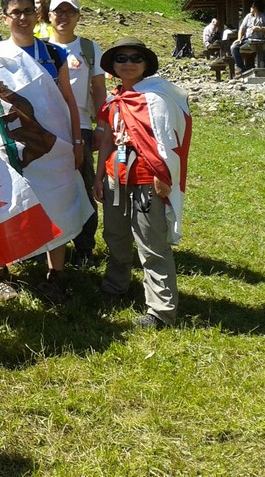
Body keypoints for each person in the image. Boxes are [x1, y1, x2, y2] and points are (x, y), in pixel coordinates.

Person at [0, 0, 85, 303]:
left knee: (59, 201)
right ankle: (2, 273)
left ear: (36, 15)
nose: (22, 18)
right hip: (12, 146)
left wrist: (77, 141)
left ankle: (56, 274)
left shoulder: (53, 54)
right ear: (5, 18)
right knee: (9, 205)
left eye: (27, 11)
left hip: (55, 145)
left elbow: (68, 101)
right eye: (15, 13)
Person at [93, 38, 190, 328]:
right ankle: (115, 287)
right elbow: (109, 138)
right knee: (116, 237)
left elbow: (166, 140)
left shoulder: (157, 98)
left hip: (147, 181)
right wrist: (99, 176)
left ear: (146, 64)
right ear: (113, 66)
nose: (128, 63)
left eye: (136, 57)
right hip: (116, 178)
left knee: (152, 244)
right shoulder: (114, 99)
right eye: (121, 58)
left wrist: (163, 177)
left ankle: (161, 311)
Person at [48, 0, 106, 268]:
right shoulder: (41, 49)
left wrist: (102, 126)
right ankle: (48, 245)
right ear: (48, 17)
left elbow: (99, 91)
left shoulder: (89, 48)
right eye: (57, 12)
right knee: (49, 188)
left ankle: (84, 247)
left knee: (83, 187)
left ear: (78, 17)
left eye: (69, 12)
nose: (63, 17)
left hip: (81, 127)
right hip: (48, 128)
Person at [230, 0, 265, 76]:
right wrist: (239, 39)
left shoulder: (263, 17)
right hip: (247, 39)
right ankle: (241, 68)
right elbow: (242, 28)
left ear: (256, 8)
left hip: (258, 39)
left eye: (252, 7)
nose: (250, 8)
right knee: (234, 47)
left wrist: (260, 28)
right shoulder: (248, 16)